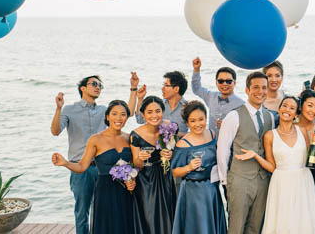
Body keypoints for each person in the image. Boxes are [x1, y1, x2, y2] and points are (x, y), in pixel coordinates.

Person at [234, 95, 315, 233]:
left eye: (292, 108)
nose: (287, 109)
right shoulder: (270, 135)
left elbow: (309, 160)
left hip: (303, 181)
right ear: (279, 108)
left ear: (296, 113)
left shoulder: (302, 131)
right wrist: (255, 156)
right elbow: (272, 167)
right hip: (281, 184)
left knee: (304, 223)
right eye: (285, 105)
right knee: (283, 224)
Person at [52, 100, 143, 234]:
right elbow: (82, 166)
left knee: (127, 226)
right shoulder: (96, 139)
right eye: (115, 114)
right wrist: (65, 163)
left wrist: (133, 179)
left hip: (127, 191)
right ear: (107, 116)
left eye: (123, 114)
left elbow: (135, 165)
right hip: (105, 191)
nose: (119, 118)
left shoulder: (129, 138)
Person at [216, 72, 274, 234]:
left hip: (263, 181)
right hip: (239, 180)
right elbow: (223, 151)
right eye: (255, 87)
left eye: (264, 88)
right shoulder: (234, 116)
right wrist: (225, 181)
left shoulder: (270, 117)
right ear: (247, 90)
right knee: (236, 227)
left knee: (255, 227)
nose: (260, 91)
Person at [50, 75, 107, 234]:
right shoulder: (69, 109)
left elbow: (126, 113)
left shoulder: (104, 110)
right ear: (83, 88)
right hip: (80, 169)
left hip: (103, 167)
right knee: (82, 212)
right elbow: (55, 131)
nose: (98, 87)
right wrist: (58, 108)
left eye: (100, 85)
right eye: (94, 84)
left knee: (102, 211)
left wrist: (133, 89)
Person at [171, 101, 227, 234]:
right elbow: (174, 172)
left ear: (206, 118)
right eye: (193, 121)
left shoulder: (212, 134)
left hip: (212, 189)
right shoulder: (183, 144)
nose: (198, 124)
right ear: (187, 122)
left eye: (201, 119)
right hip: (193, 191)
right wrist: (189, 167)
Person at [130, 96, 177, 234]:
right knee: (149, 216)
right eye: (149, 112)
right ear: (143, 114)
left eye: (158, 111)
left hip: (165, 176)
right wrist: (140, 158)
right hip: (145, 180)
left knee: (168, 213)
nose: (154, 115)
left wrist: (170, 155)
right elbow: (137, 165)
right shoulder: (136, 135)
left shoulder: (169, 128)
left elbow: (175, 151)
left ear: (163, 111)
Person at [192, 57, 245, 132]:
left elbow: (245, 128)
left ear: (235, 83)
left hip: (231, 143)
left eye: (229, 81)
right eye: (221, 81)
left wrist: (228, 126)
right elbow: (196, 89)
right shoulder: (210, 96)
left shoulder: (241, 105)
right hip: (211, 141)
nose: (224, 84)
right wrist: (196, 69)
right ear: (216, 83)